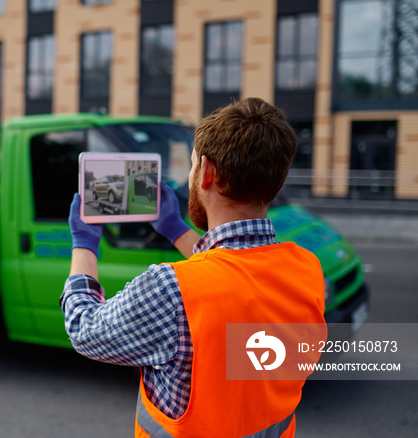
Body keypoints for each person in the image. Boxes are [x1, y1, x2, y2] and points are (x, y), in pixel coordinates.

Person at [60, 98, 326, 437]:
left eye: (191, 166)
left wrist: (83, 244)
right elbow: (231, 277)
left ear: (208, 173)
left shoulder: (168, 288)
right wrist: (175, 230)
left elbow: (84, 329)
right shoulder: (306, 269)